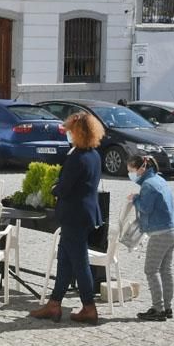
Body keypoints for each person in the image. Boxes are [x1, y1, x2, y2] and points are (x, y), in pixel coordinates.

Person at [29, 112, 105, 325]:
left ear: (78, 133)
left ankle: (89, 307)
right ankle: (54, 304)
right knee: (64, 260)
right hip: (85, 213)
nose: (68, 134)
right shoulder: (94, 155)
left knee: (79, 263)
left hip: (74, 216)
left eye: (70, 131)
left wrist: (54, 187)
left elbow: (63, 188)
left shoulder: (77, 158)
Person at [127, 154, 174, 322]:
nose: (130, 174)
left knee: (151, 270)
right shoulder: (158, 179)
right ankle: (167, 307)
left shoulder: (148, 185)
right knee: (165, 270)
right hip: (173, 230)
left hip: (161, 233)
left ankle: (158, 309)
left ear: (142, 168)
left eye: (131, 171)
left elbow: (146, 208)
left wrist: (135, 198)